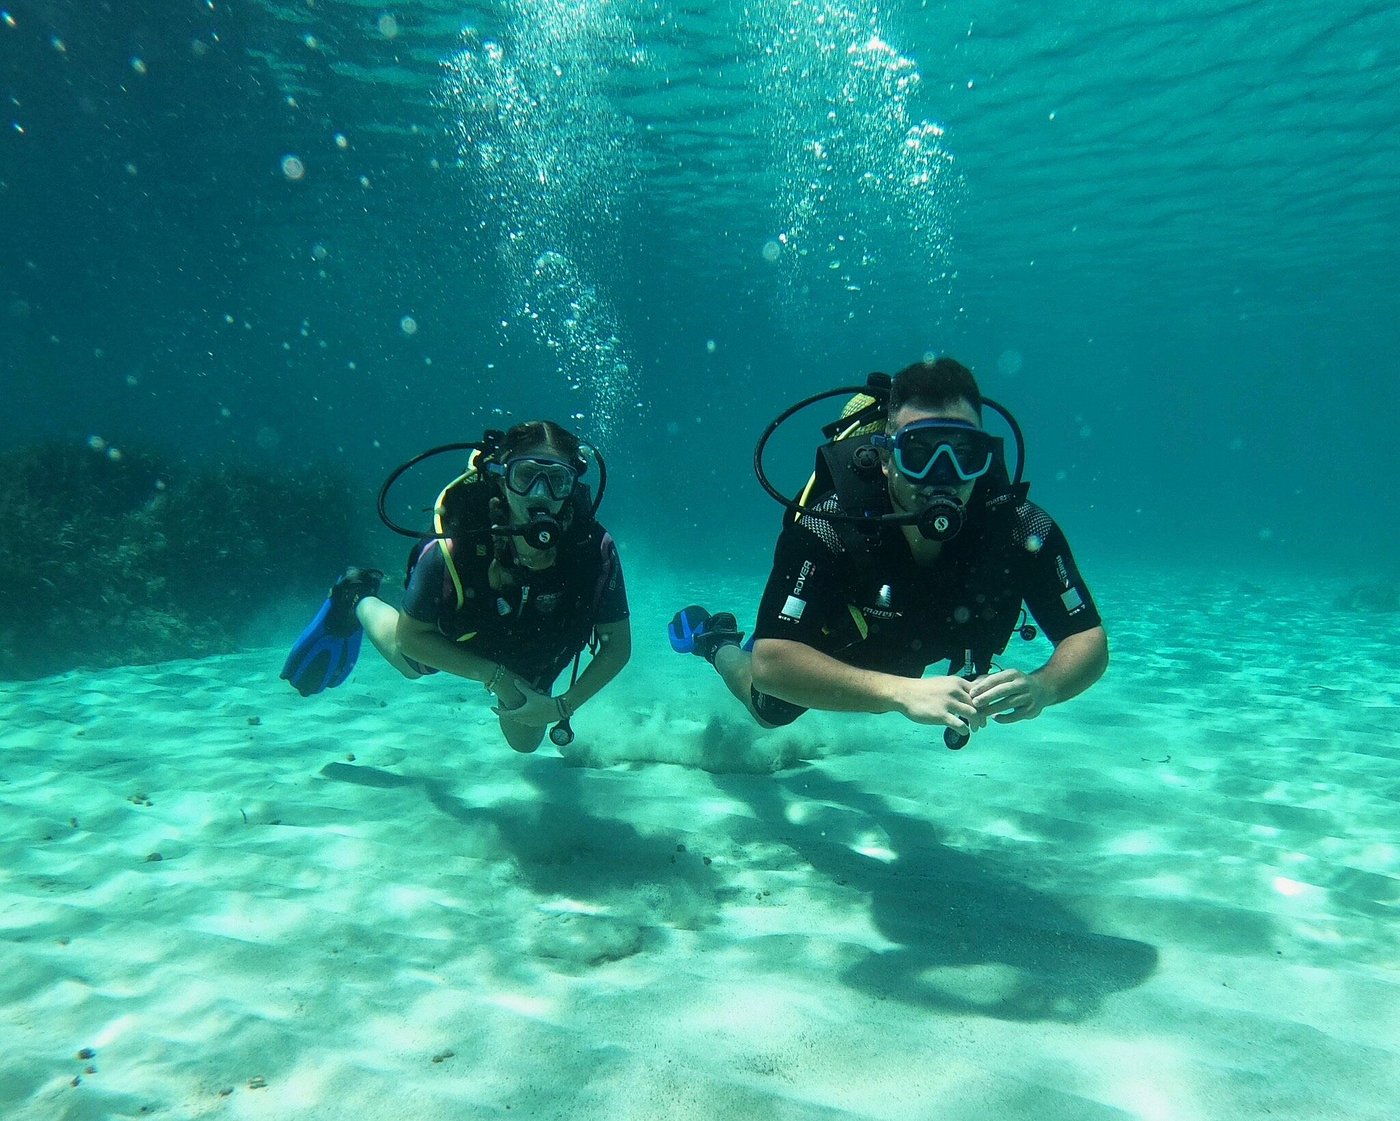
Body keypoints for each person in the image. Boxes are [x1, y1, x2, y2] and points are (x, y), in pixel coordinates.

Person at [668, 357, 1106, 745]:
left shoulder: (1021, 528)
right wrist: (900, 693)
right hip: (851, 636)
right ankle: (718, 642)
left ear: (984, 458)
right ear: (885, 458)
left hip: (926, 635)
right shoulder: (828, 526)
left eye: (963, 454)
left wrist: (1044, 687)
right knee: (769, 710)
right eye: (919, 453)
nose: (943, 476)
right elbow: (772, 664)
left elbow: (1088, 639)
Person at [282, 420, 631, 753]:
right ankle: (357, 595)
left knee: (525, 741)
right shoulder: (458, 542)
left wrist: (560, 706)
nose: (540, 494)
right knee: (410, 665)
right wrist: (496, 677)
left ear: (572, 486)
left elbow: (617, 646)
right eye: (525, 476)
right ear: (503, 479)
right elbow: (410, 637)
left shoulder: (592, 549)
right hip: (471, 627)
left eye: (557, 480)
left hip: (534, 638)